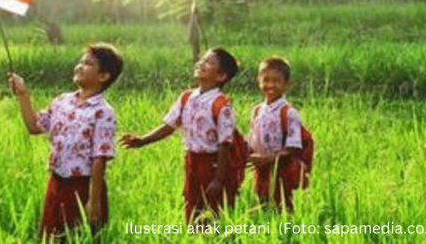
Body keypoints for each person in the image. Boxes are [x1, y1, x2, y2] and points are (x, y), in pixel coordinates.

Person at [8, 43, 123, 242]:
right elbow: (34, 126)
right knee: (51, 236)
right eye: (80, 61)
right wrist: (23, 95)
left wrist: (93, 201)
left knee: (78, 236)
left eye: (88, 64)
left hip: (82, 186)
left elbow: (99, 158)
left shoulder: (103, 112)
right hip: (56, 182)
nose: (79, 66)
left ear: (103, 76)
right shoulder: (63, 101)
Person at [120, 47, 242, 222]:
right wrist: (142, 140)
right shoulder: (186, 97)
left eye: (209, 62)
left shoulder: (221, 104)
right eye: (202, 59)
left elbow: (225, 143)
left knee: (213, 206)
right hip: (192, 160)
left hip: (213, 163)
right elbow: (169, 126)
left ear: (221, 76)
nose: (201, 63)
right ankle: (194, 236)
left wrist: (218, 179)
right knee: (192, 202)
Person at [247, 57, 312, 212]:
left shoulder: (289, 113)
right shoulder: (257, 111)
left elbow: (293, 148)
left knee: (282, 206)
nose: (270, 85)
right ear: (258, 81)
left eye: (276, 81)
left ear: (287, 85)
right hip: (261, 170)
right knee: (261, 202)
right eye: (266, 80)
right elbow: (252, 141)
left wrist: (268, 159)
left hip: (280, 170)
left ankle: (286, 233)